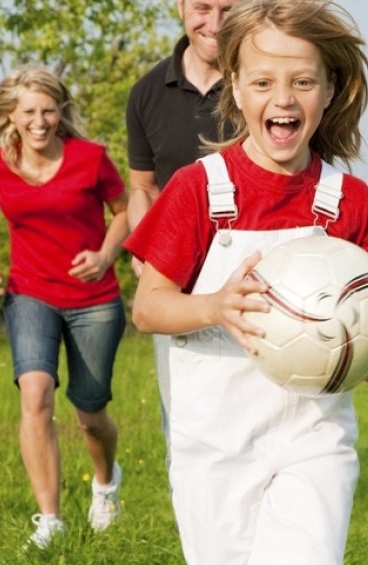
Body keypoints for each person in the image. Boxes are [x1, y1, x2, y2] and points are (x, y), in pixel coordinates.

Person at [124, 1, 368, 563]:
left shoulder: (350, 201)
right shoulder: (198, 188)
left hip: (314, 437)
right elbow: (148, 308)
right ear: (235, 85)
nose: (283, 98)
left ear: (330, 89)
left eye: (303, 81)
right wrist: (216, 307)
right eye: (262, 81)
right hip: (213, 445)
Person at [0, 65, 128, 549]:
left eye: (49, 111)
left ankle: (105, 484)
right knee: (35, 394)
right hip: (30, 293)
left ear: (61, 112)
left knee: (90, 413)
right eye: (29, 112)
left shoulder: (91, 159)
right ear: (10, 116)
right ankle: (51, 520)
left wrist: (104, 255)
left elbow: (124, 213)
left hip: (94, 301)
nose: (40, 121)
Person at [126, 0, 237, 468]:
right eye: (202, 8)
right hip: (178, 279)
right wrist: (143, 251)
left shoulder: (263, 83)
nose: (214, 23)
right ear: (180, 7)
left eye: (228, 9)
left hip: (254, 272)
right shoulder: (146, 92)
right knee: (186, 424)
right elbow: (142, 188)